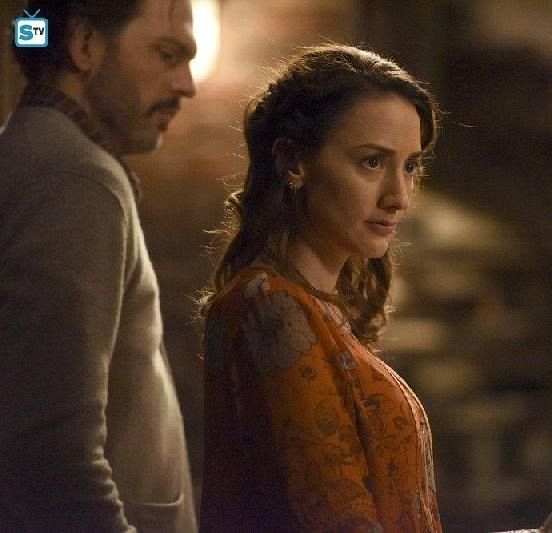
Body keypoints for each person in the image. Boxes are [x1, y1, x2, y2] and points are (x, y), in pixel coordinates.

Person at [198, 44, 441, 532]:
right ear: (293, 161)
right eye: (372, 162)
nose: (399, 197)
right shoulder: (271, 307)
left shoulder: (313, 308)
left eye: (410, 166)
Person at [0, 0, 197, 531]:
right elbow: (50, 454)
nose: (187, 85)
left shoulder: (50, 157)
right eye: (168, 54)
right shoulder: (73, 178)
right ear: (84, 44)